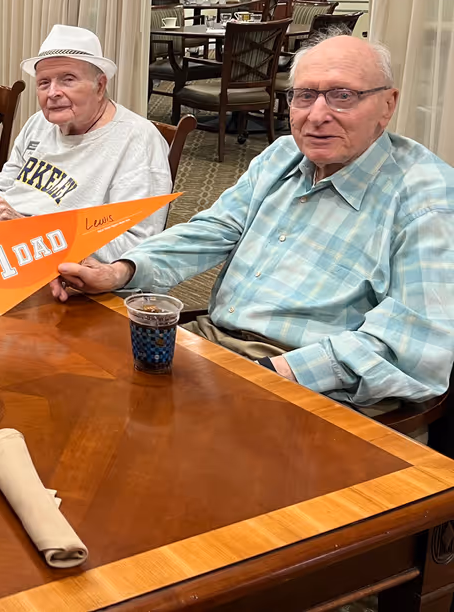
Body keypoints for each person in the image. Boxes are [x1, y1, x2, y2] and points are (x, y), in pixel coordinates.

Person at [54, 34, 454, 409]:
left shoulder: (425, 197)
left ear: (388, 105)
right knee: (72, 384)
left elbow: (410, 345)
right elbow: (214, 230)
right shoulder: (283, 155)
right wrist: (119, 271)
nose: (317, 115)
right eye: (304, 96)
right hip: (216, 344)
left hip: (313, 388)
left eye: (342, 96)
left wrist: (270, 374)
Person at [0, 25, 171, 263]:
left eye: (68, 80)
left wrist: (28, 229)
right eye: (44, 83)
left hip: (68, 275)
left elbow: (136, 248)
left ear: (100, 86)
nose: (53, 93)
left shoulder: (138, 141)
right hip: (4, 250)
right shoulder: (38, 123)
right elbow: (2, 192)